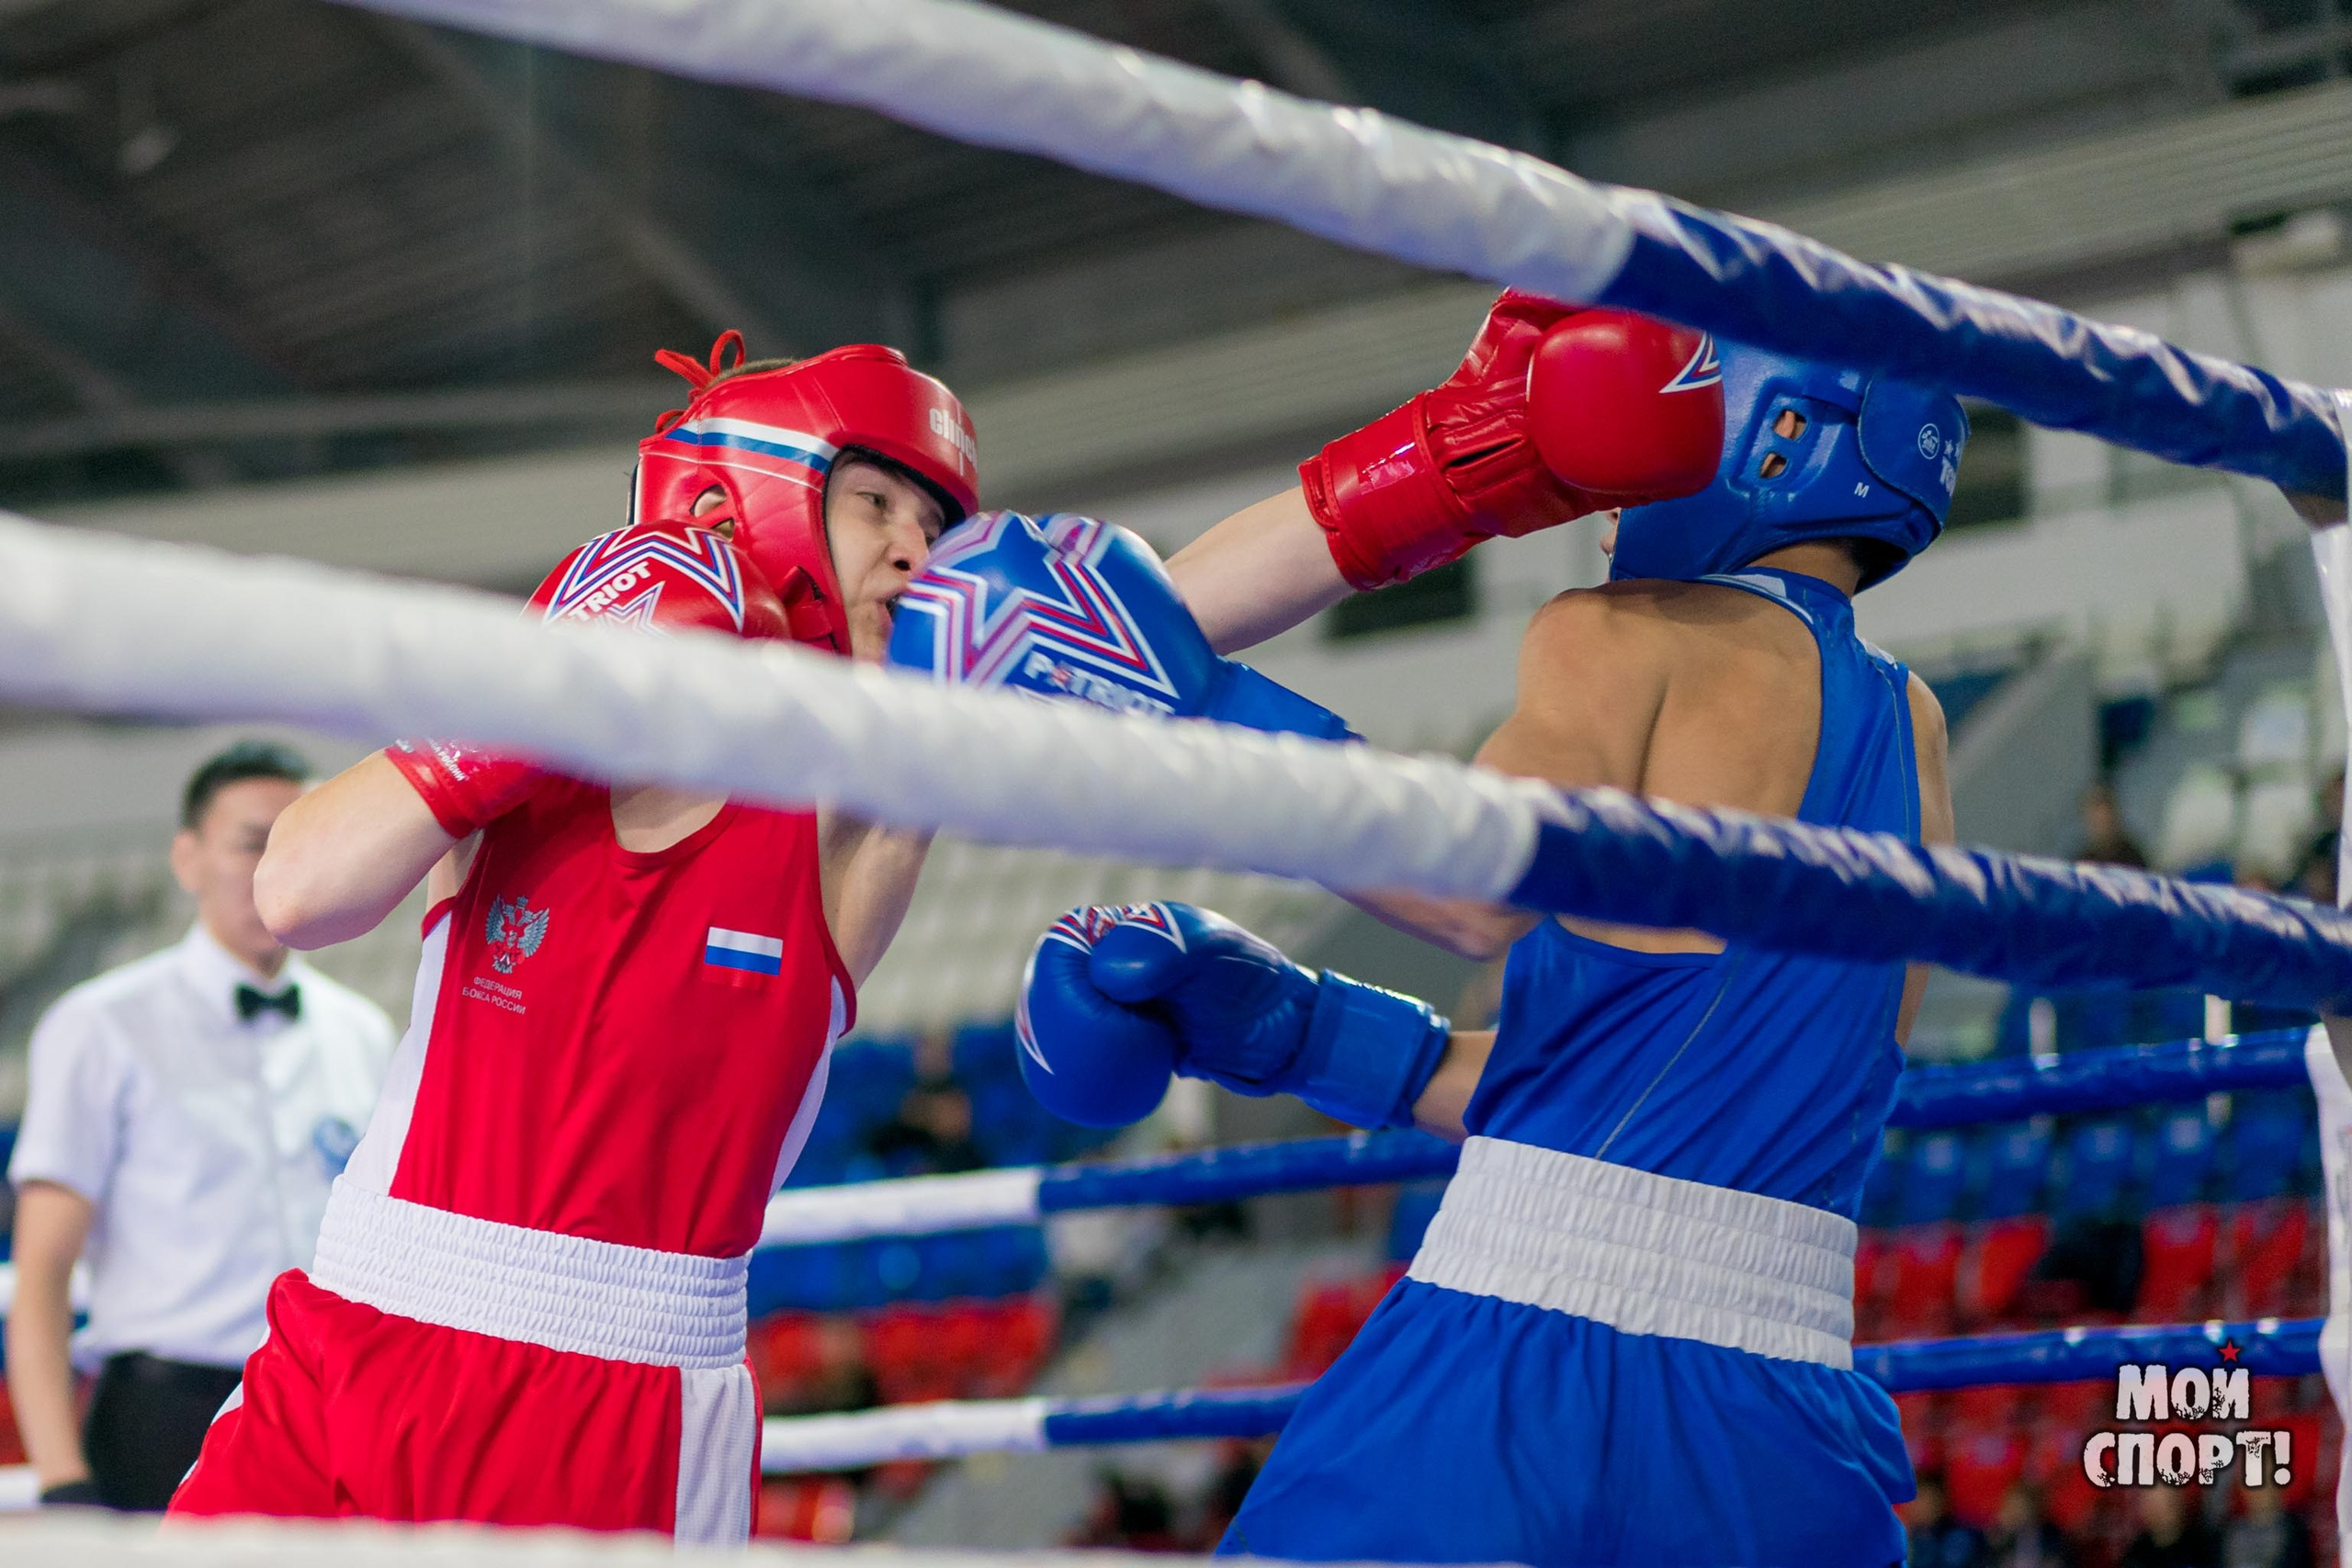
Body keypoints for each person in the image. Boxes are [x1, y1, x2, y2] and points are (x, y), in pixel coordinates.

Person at [1011, 342, 1966, 1563]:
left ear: (1770, 441)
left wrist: (1197, 709)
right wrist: (1297, 1026)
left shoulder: (1626, 635)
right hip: (1784, 1406)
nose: (1617, 486)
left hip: (1521, 1353)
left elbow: (1471, 892)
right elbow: (1645, 1105)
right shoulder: (1914, 732)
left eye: (1672, 413)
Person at [164, 336, 982, 1542]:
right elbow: (294, 889)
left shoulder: (864, 796)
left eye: (937, 522)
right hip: (351, 1324)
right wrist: (545, 687)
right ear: (738, 496)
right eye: (874, 503)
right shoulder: (530, 754)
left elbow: (1095, 642)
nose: (915, 548)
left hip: (611, 1400)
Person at [6, 740, 392, 1511]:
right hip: (161, 1408)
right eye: (254, 842)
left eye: (298, 840)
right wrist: (59, 1475)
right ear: (187, 859)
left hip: (326, 1407)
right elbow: (43, 1268)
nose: (278, 866)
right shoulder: (101, 1025)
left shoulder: (365, 1033)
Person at [2118, 1484, 2221, 1568]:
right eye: (2149, 1500)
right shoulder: (2136, 1552)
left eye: (2161, 1500)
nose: (2154, 1507)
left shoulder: (2201, 1548)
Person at [1907, 1473, 1991, 1568]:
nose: (1920, 1507)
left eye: (1926, 1500)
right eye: (1917, 1501)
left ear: (1940, 1501)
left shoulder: (1960, 1536)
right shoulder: (1910, 1538)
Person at [1987, 1481, 2075, 1568]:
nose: (2014, 1513)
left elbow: (2060, 1559)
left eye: (2020, 1507)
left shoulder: (2052, 1534)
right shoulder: (1996, 1537)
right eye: (2011, 1506)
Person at [2078, 780, 2150, 869]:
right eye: (2098, 821)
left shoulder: (2132, 857)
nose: (2103, 824)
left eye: (2106, 820)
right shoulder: (2084, 863)